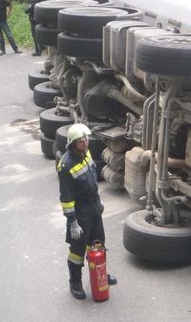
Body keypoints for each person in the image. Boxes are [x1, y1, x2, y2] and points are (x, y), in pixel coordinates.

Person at [57, 124, 117, 300]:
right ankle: (75, 283)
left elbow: (91, 178)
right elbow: (66, 198)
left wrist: (98, 201)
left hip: (93, 205)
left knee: (98, 243)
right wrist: (73, 221)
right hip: (80, 210)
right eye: (81, 140)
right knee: (77, 250)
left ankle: (100, 274)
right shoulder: (65, 166)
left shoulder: (86, 152)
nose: (86, 142)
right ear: (72, 143)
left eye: (86, 138)